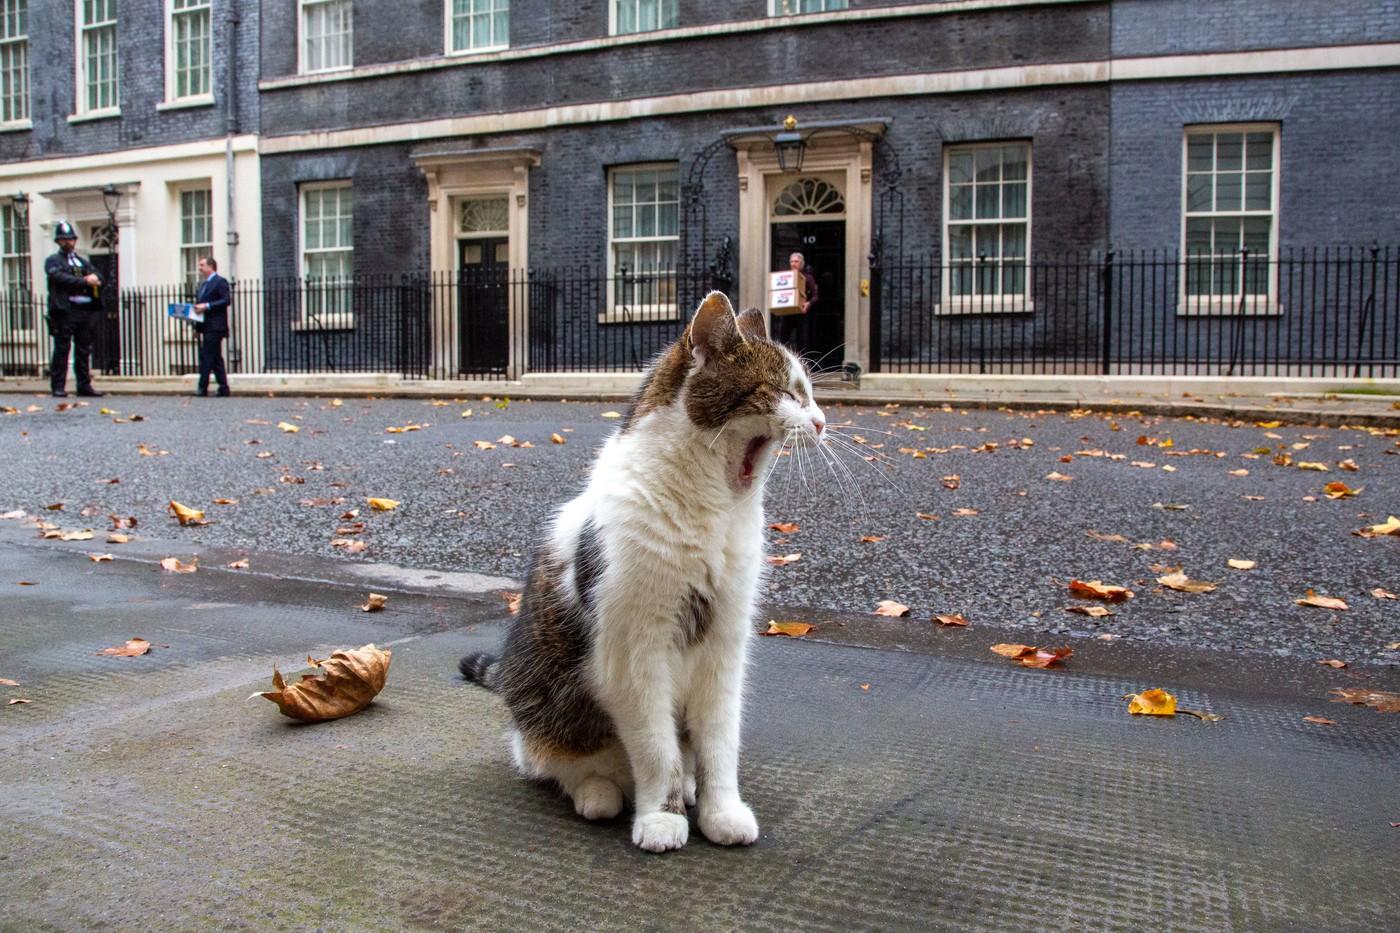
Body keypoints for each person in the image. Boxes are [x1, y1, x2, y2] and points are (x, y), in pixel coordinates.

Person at [44, 221, 104, 398]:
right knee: (62, 348)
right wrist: (85, 281)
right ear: (58, 241)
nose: (68, 242)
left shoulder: (82, 261)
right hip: (65, 310)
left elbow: (98, 276)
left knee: (84, 350)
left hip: (85, 310)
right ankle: (58, 386)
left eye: (70, 239)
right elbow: (60, 278)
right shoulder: (53, 261)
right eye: (64, 239)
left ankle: (84, 385)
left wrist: (95, 278)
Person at [192, 256, 231, 397]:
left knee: (206, 356)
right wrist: (197, 328)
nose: (199, 268)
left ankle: (202, 387)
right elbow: (199, 307)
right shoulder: (203, 285)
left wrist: (207, 306)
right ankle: (224, 388)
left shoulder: (220, 282)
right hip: (206, 326)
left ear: (210, 266)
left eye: (202, 265)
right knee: (215, 358)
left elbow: (226, 300)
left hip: (216, 326)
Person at [773, 251, 819, 350]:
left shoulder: (808, 277)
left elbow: (815, 296)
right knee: (782, 340)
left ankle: (801, 358)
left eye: (796, 261)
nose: (793, 264)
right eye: (792, 261)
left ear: (802, 263)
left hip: (801, 313)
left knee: (802, 341)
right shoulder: (785, 278)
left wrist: (808, 303)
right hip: (787, 312)